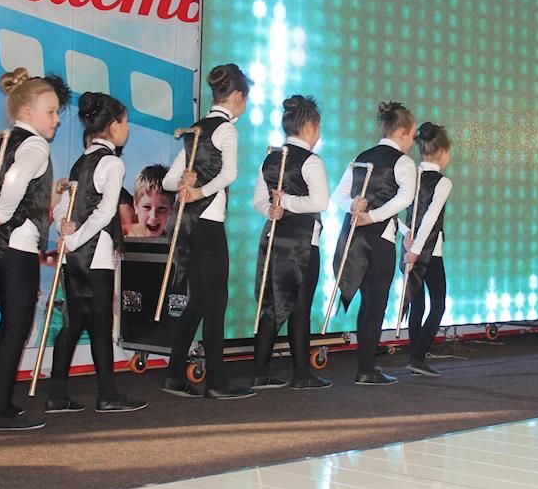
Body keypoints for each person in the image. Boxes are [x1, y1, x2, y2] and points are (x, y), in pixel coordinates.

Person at [0, 68, 71, 430]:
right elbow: (17, 180)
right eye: (50, 112)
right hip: (17, 247)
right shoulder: (34, 145)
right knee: (17, 325)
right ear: (27, 112)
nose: (55, 119)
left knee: (9, 324)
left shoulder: (2, 145)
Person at [47, 92, 147, 413]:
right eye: (126, 122)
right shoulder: (112, 163)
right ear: (114, 125)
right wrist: (75, 238)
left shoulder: (81, 162)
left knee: (73, 321)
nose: (127, 129)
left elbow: (64, 206)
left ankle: (57, 395)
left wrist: (66, 231)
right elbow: (105, 213)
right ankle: (107, 395)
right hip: (95, 253)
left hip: (74, 256)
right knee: (100, 323)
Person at [160, 64, 255, 400]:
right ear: (238, 96)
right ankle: (216, 381)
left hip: (189, 226)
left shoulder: (195, 130)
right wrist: (198, 190)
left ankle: (174, 375)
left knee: (199, 301)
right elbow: (230, 174)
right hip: (209, 225)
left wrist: (185, 184)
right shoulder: (226, 129)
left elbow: (168, 181)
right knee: (215, 303)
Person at [331, 102, 417, 385]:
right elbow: (405, 198)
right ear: (402, 133)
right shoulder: (403, 162)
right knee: (375, 304)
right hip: (379, 241)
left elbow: (339, 196)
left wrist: (354, 207)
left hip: (355, 238)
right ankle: (366, 369)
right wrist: (373, 216)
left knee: (367, 303)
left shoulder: (362, 157)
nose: (412, 142)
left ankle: (366, 366)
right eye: (412, 136)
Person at [251, 95, 331, 390]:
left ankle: (260, 372)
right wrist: (285, 202)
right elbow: (320, 202)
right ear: (309, 127)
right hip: (302, 246)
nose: (318, 135)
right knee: (299, 307)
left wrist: (272, 209)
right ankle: (301, 374)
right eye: (318, 128)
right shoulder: (311, 161)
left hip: (273, 241)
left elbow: (258, 201)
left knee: (271, 304)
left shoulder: (271, 158)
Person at [399, 123, 453, 377]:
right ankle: (417, 357)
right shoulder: (443, 182)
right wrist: (418, 249)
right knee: (438, 304)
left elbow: (392, 209)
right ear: (442, 151)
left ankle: (415, 356)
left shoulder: (411, 177)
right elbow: (431, 218)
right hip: (430, 251)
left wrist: (406, 235)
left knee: (417, 304)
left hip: (410, 249)